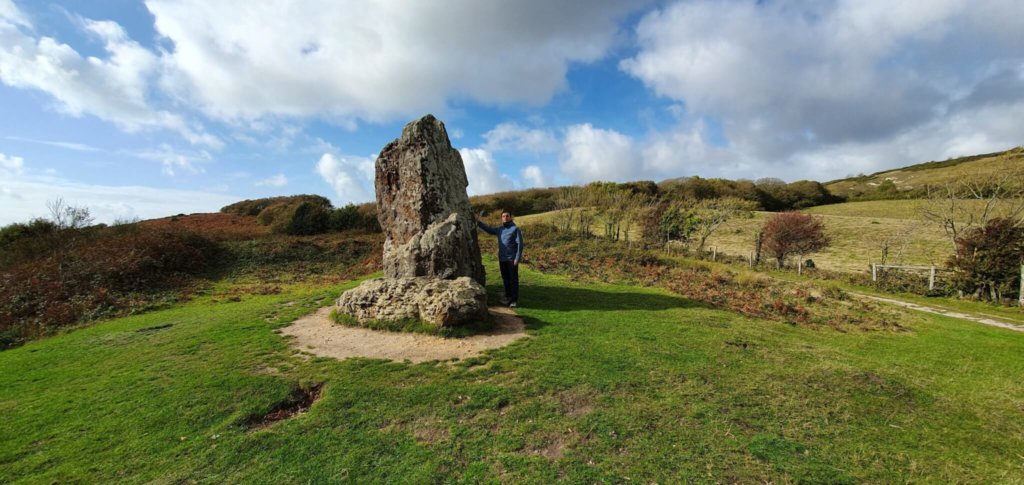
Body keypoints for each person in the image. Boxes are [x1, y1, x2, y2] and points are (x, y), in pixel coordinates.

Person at [476, 211, 523, 307]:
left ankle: (514, 300)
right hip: (502, 259)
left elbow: (520, 245)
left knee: (513, 280)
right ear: (501, 218)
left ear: (510, 217)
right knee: (505, 279)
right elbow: (489, 230)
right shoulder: (500, 229)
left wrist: (517, 258)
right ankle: (508, 297)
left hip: (511, 259)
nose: (505, 217)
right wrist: (478, 222)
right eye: (503, 216)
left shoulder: (515, 229)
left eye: (507, 216)